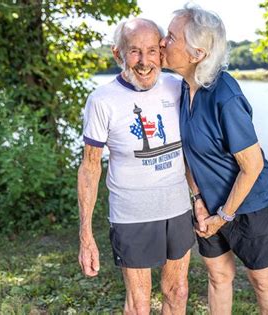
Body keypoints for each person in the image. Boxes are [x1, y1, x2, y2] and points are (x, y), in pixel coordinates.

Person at [160, 5, 268, 315]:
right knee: (218, 276)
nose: (162, 42)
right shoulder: (183, 88)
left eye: (171, 37)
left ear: (196, 53)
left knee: (263, 282)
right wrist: (198, 200)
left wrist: (225, 215)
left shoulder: (226, 96)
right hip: (208, 209)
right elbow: (188, 153)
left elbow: (252, 165)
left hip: (250, 206)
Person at [77, 18, 194, 315]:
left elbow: (195, 148)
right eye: (134, 52)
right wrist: (86, 234)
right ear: (118, 54)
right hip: (132, 214)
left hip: (177, 208)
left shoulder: (178, 87)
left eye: (152, 51)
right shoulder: (102, 101)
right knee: (139, 305)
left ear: (162, 53)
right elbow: (90, 167)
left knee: (178, 292)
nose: (144, 62)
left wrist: (199, 198)